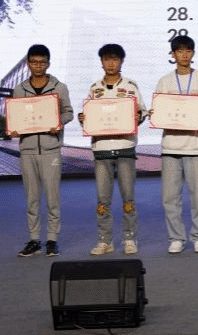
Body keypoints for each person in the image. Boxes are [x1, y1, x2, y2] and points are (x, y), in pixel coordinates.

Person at [153, 34, 198, 254]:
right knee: (170, 197)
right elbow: (158, 111)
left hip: (196, 145)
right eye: (179, 51)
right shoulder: (165, 81)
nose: (184, 55)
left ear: (193, 53)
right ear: (173, 54)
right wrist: (156, 116)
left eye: (188, 51)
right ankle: (176, 237)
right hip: (170, 146)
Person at [78, 43, 147, 256]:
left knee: (128, 197)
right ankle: (104, 240)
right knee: (102, 199)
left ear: (121, 61)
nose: (111, 63)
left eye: (115, 59)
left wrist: (137, 117)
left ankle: (129, 238)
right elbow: (88, 115)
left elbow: (142, 112)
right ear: (101, 62)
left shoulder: (131, 86)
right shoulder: (94, 88)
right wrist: (83, 118)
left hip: (125, 146)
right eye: (107, 59)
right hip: (101, 148)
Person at [14, 44, 74, 258]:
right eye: (34, 62)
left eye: (42, 62)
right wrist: (14, 127)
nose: (38, 66)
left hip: (51, 148)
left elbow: (69, 112)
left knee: (52, 197)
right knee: (31, 198)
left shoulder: (59, 87)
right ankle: (33, 239)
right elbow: (16, 116)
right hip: (28, 150)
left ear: (48, 64)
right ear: (28, 63)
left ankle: (52, 240)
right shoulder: (20, 89)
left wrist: (58, 122)